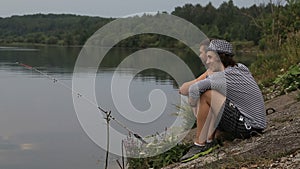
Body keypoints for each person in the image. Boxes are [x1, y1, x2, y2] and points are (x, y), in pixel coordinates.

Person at [180, 39, 266, 162]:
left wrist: (193, 105)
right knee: (214, 95)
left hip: (248, 126)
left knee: (207, 95)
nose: (207, 61)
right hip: (256, 124)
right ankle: (210, 140)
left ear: (220, 58)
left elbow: (194, 89)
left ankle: (200, 144)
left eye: (210, 57)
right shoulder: (241, 67)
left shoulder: (222, 77)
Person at [179, 38, 212, 116]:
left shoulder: (214, 71)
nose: (199, 56)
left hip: (227, 117)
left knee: (195, 92)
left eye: (201, 53)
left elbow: (184, 89)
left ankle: (201, 124)